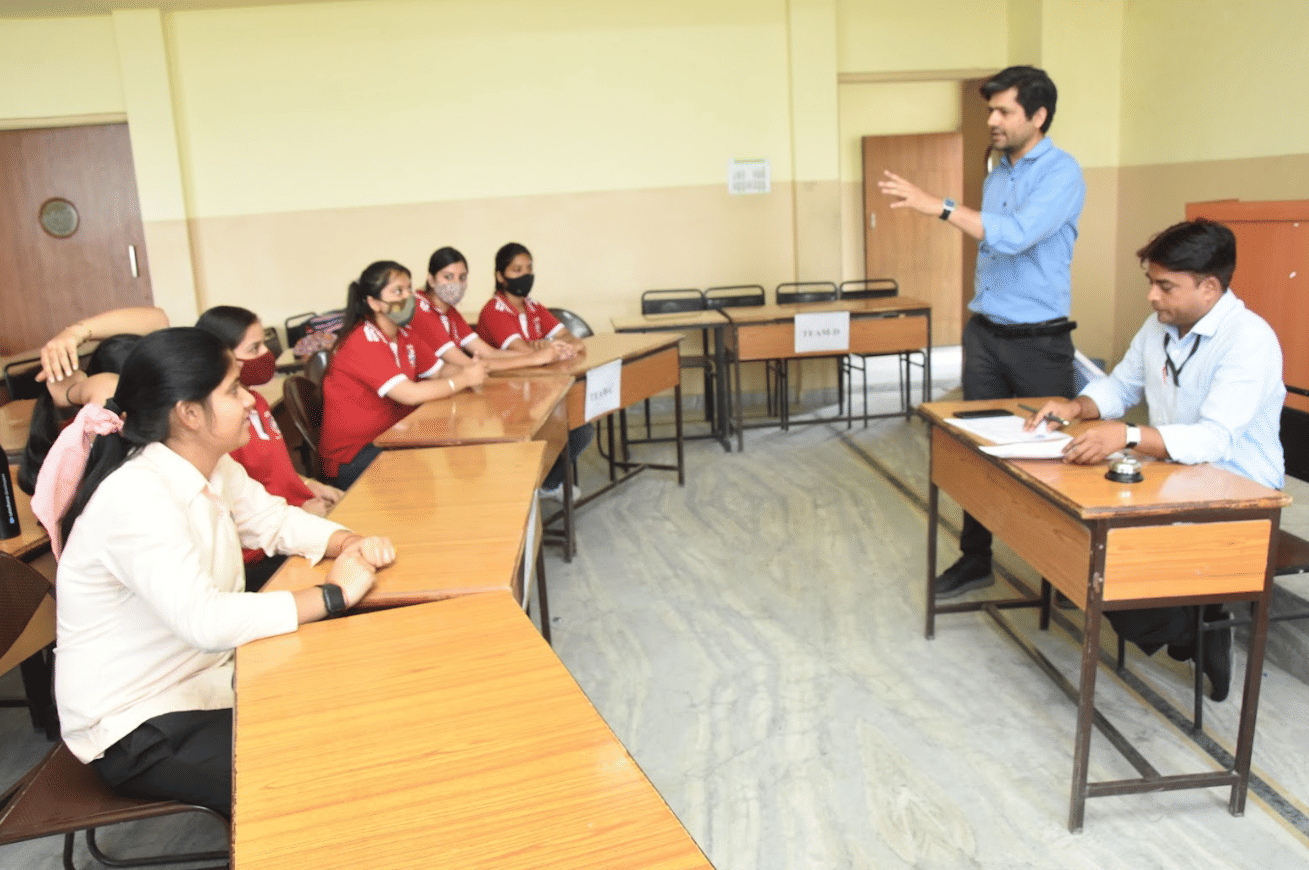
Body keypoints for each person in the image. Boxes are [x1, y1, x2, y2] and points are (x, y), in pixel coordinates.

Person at [49, 327, 395, 816]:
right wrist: (332, 595)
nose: (251, 400)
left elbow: (272, 519)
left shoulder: (210, 465)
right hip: (139, 726)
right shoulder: (136, 496)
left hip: (205, 683)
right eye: (233, 390)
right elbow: (206, 620)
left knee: (352, 706)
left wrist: (347, 542)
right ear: (189, 414)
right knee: (314, 771)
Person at [1023, 219, 1285, 702]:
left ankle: (1200, 626)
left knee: (1115, 567)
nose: (1152, 297)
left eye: (1165, 286)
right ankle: (1191, 625)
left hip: (1239, 491)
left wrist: (1126, 434)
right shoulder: (1159, 326)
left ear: (1210, 287)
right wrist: (1076, 407)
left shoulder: (1250, 340)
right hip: (1175, 476)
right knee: (1086, 543)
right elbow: (1122, 386)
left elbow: (1214, 439)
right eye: (1151, 282)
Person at [878, 65, 1086, 599]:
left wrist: (940, 206)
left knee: (1052, 454)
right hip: (986, 335)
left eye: (1004, 111)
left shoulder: (1061, 173)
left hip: (1038, 340)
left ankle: (1062, 570)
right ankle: (976, 559)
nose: (992, 120)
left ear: (1038, 116)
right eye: (990, 110)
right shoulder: (997, 174)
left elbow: (1015, 237)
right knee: (979, 450)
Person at [197, 306, 345, 590]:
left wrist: (309, 484)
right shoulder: (222, 428)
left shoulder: (257, 401)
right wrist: (300, 512)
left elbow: (272, 472)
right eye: (254, 348)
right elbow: (239, 511)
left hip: (291, 520)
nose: (267, 354)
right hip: (259, 552)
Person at [318, 260, 488, 489]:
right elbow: (409, 394)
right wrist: (464, 379)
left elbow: (438, 370)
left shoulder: (404, 334)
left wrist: (469, 369)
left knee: (458, 443)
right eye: (398, 291)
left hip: (394, 437)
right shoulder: (362, 339)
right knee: (437, 469)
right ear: (374, 303)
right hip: (355, 455)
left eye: (409, 289)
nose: (408, 297)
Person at [476, 243, 591, 498]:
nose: (525, 275)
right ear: (500, 276)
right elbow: (526, 354)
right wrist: (545, 348)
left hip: (539, 391)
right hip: (506, 403)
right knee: (571, 431)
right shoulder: (494, 311)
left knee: (581, 428)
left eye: (528, 269)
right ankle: (535, 485)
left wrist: (550, 346)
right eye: (517, 270)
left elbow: (572, 339)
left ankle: (546, 484)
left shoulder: (533, 306)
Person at [19, 307, 171, 494]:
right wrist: (72, 392)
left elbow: (159, 320)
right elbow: (108, 387)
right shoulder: (92, 437)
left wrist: (75, 333)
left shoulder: (97, 416)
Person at [413, 246, 576, 373]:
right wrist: (535, 358)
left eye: (462, 277)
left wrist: (549, 353)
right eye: (448, 277)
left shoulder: (450, 312)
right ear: (431, 280)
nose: (456, 283)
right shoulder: (420, 310)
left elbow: (489, 353)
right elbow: (466, 364)